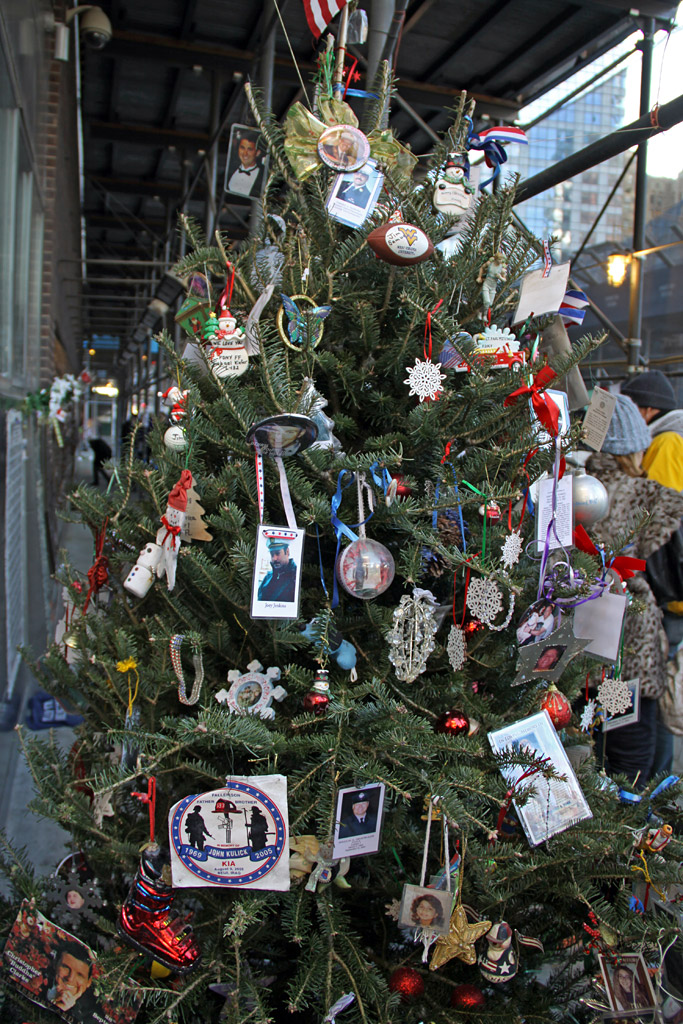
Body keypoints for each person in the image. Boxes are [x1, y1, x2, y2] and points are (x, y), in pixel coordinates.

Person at [587, 394, 683, 785]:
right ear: (634, 445)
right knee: (632, 759)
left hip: (583, 647)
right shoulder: (649, 498)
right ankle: (629, 836)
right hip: (631, 648)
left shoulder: (574, 490)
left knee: (589, 747)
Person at [621, 370, 683, 774]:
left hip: (667, 593)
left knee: (654, 694)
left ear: (645, 410)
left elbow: (655, 522)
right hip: (672, 591)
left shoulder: (666, 442)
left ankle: (655, 790)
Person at [47, 941, 100, 1020]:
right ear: (55, 964)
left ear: (89, 982)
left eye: (80, 975)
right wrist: (57, 1006)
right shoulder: (41, 977)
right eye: (66, 968)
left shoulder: (91, 1014)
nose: (70, 978)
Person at [257, 538, 297, 603]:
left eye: (277, 553)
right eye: (272, 554)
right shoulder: (267, 577)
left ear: (287, 552)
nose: (274, 558)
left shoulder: (296, 576)